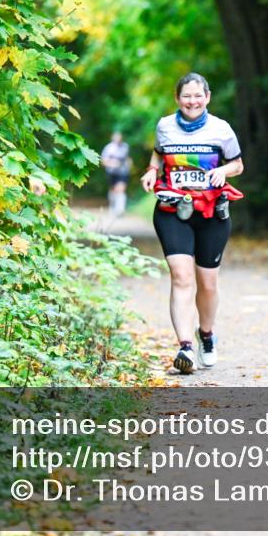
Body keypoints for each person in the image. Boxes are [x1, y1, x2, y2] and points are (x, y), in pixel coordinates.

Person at [141, 73, 244, 375]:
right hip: (173, 210)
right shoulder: (165, 126)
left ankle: (206, 335)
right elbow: (159, 154)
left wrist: (224, 171)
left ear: (207, 97)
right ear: (177, 98)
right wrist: (151, 170)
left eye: (198, 96)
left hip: (212, 212)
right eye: (186, 96)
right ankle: (184, 346)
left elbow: (238, 164)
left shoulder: (221, 129)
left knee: (207, 283)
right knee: (181, 276)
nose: (192, 101)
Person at [101, 131, 131, 216]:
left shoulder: (125, 147)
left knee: (121, 189)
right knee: (113, 190)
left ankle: (120, 210)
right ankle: (113, 207)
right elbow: (103, 161)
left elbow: (127, 158)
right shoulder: (108, 148)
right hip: (111, 172)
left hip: (123, 172)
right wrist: (111, 163)